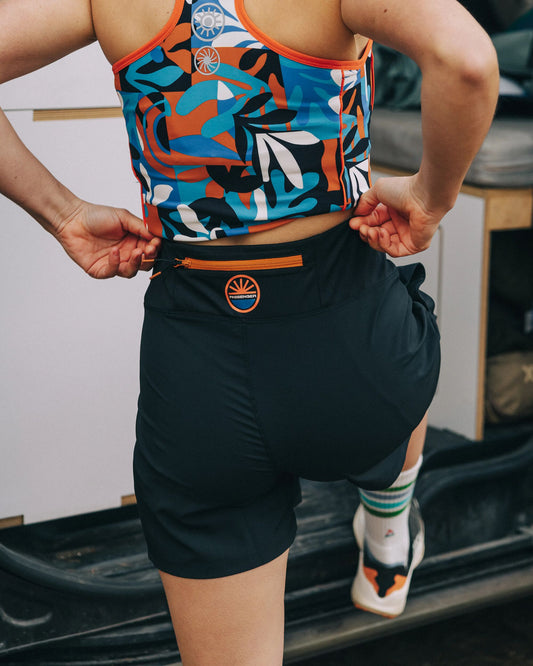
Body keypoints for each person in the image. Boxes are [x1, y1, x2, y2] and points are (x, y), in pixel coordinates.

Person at [0, 0, 498, 663]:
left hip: (197, 367)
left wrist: (62, 214)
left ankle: (384, 526)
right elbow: (466, 62)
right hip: (352, 344)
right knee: (405, 314)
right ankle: (387, 532)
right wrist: (431, 199)